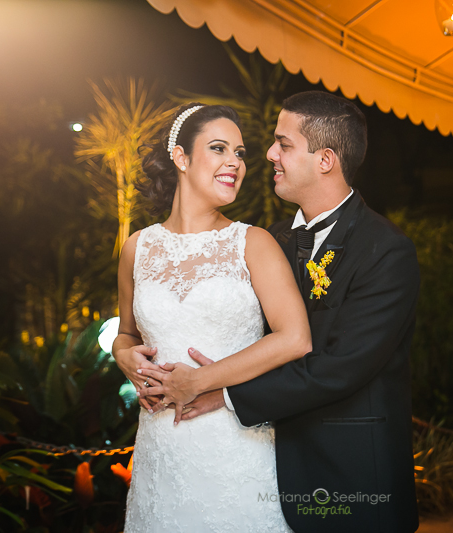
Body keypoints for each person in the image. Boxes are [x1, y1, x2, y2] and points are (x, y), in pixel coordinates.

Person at [141, 91, 420, 533]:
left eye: (283, 144)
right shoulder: (271, 242)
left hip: (352, 481)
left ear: (325, 159)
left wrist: (224, 393)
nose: (269, 154)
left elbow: (340, 368)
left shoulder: (386, 251)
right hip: (263, 469)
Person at [111, 103, 312, 533]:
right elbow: (126, 333)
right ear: (181, 157)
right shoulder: (137, 248)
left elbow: (295, 338)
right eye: (219, 148)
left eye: (239, 153)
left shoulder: (253, 242)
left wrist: (200, 380)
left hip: (234, 447)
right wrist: (122, 356)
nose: (234, 163)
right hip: (160, 448)